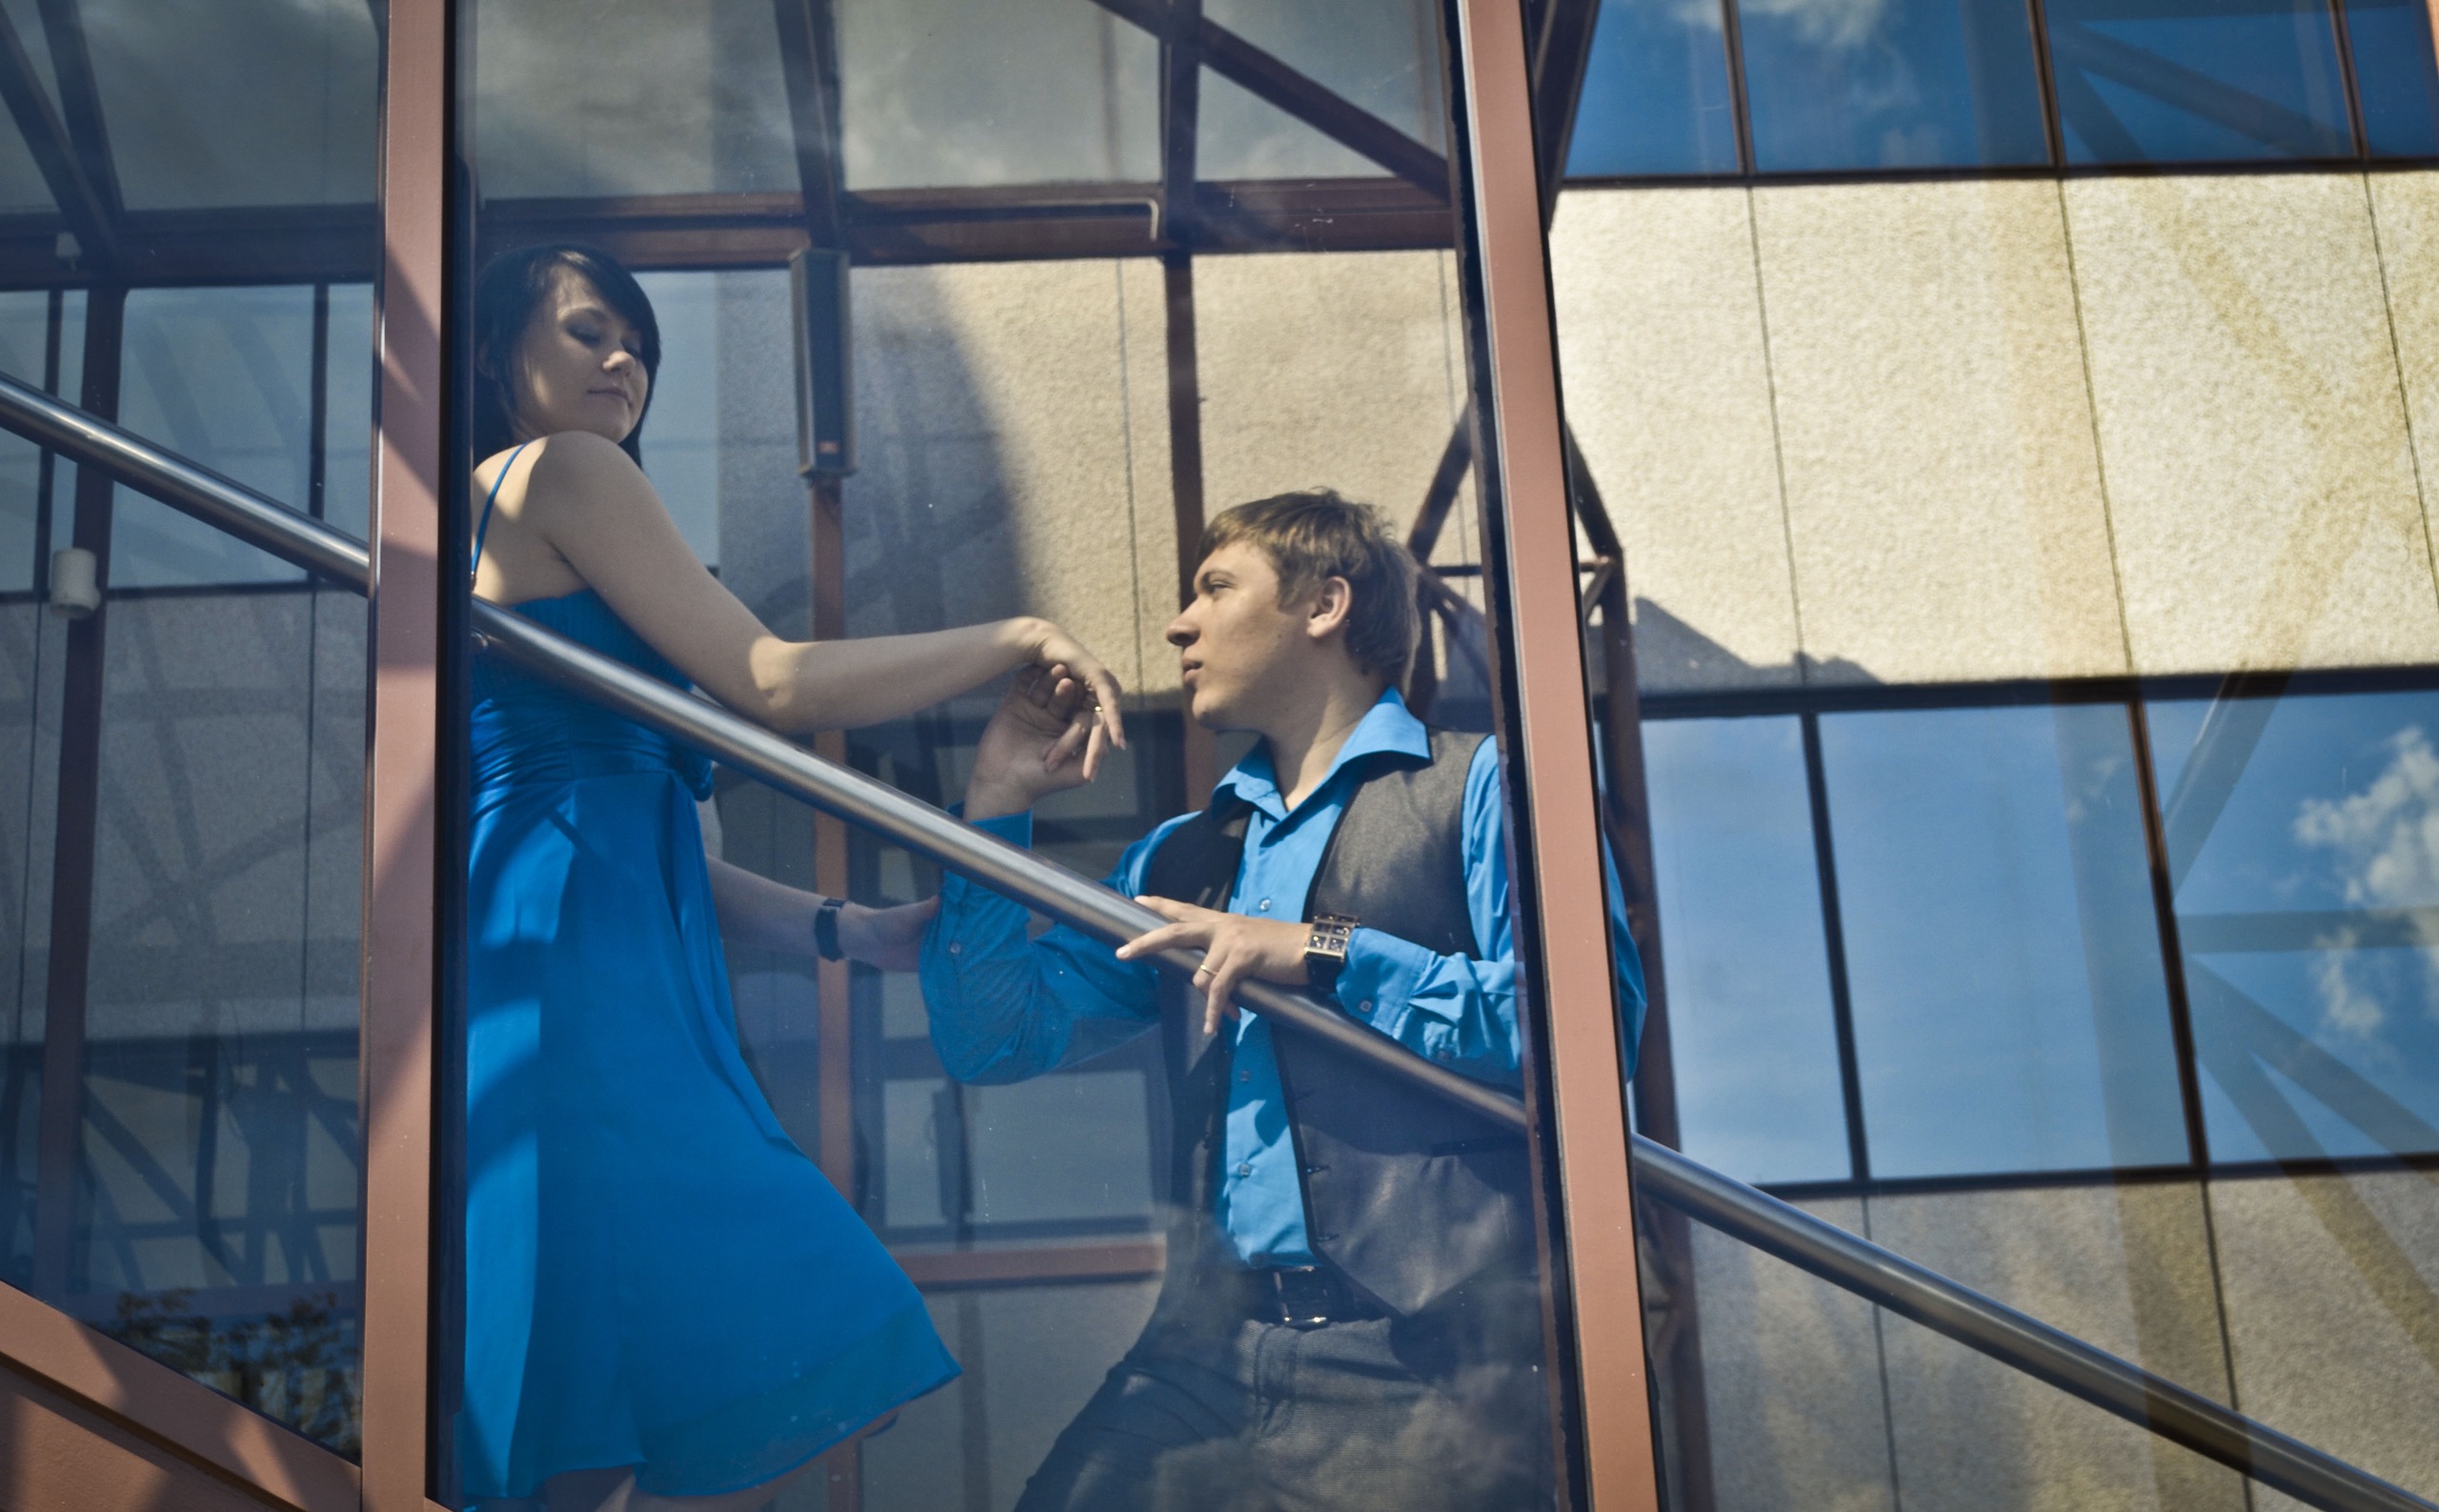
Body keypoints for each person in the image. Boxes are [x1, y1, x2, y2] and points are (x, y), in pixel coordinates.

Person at [459, 243, 1126, 1512]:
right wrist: (1018, 635)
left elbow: (650, 841)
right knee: (739, 1304)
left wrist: (851, 929)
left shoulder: (521, 512)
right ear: (497, 356)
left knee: (592, 1355)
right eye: (591, 331)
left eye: (642, 346)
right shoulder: (563, 469)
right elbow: (769, 682)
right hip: (581, 958)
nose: (624, 360)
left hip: (579, 944)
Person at [918, 491, 1645, 1512]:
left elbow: (1589, 1032)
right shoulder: (1178, 855)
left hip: (1423, 1369)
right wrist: (995, 803)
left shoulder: (1482, 786)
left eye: (1215, 588)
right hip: (1203, 1352)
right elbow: (994, 1039)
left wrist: (1326, 950)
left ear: (1324, 605)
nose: (1180, 625)